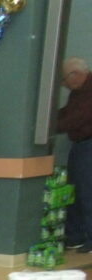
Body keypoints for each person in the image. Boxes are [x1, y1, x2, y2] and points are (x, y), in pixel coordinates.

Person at [58, 56, 92, 252]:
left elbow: (78, 117)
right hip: (80, 146)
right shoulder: (78, 92)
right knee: (74, 191)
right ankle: (75, 235)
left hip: (88, 146)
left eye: (64, 80)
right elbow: (69, 112)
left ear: (75, 75)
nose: (64, 85)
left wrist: (52, 126)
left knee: (87, 192)